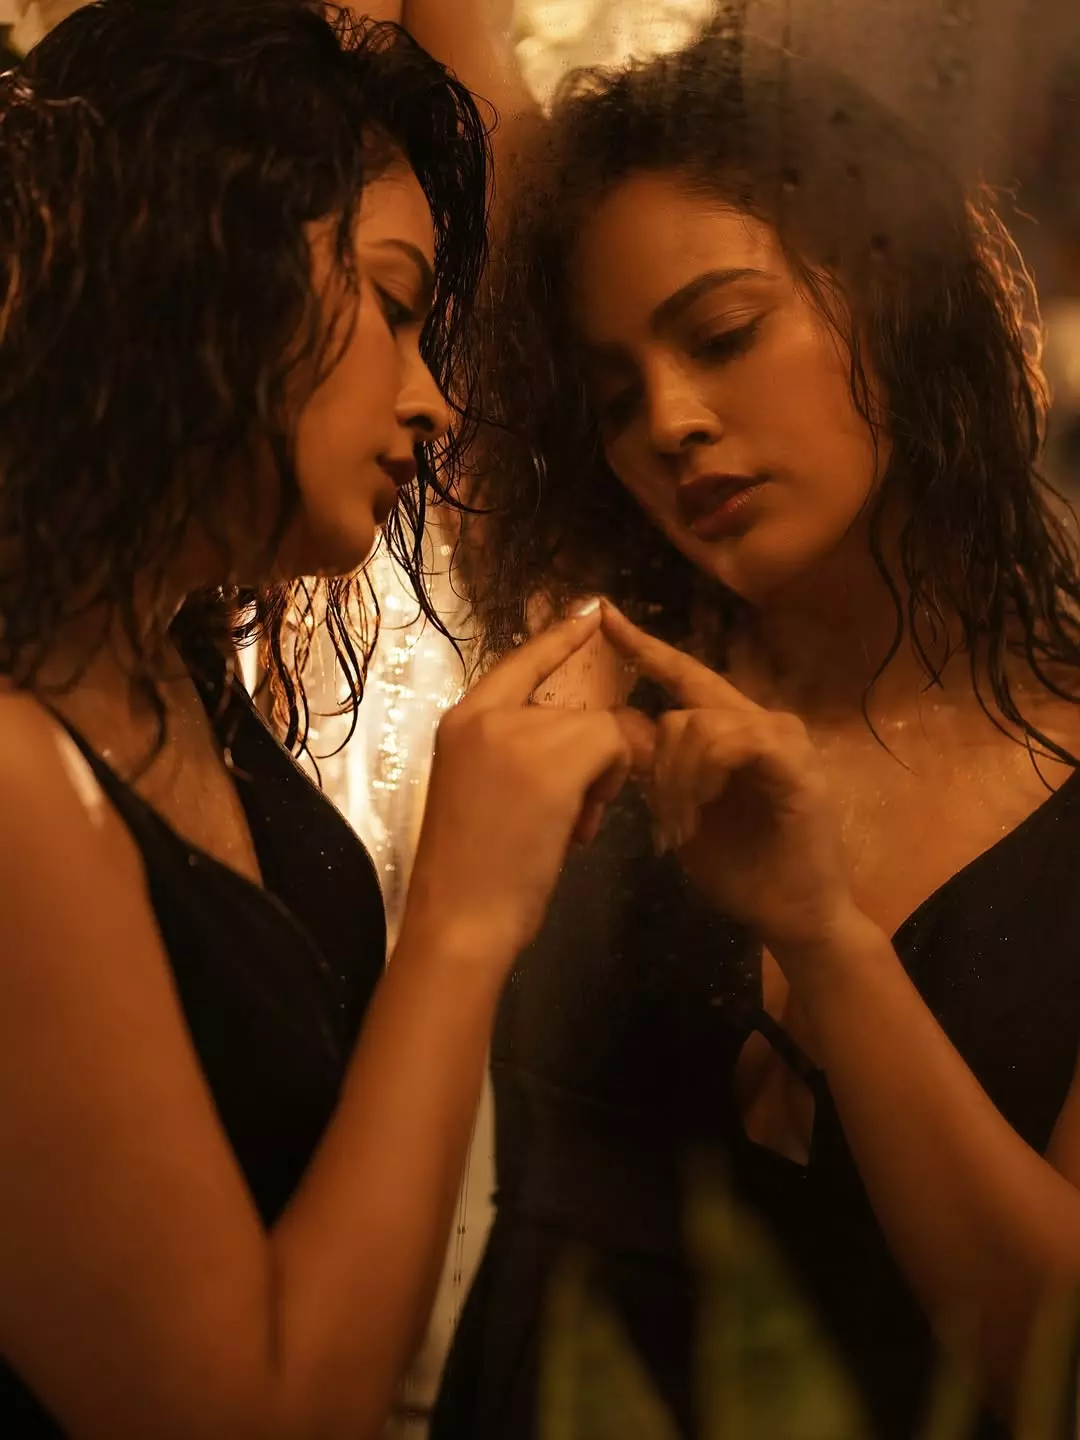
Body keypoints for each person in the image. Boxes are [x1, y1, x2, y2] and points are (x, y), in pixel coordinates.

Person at [426, 22, 1080, 1440]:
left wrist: (826, 939)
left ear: (897, 293)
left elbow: (1053, 1351)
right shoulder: (588, 704)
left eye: (724, 334)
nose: (669, 421)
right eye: (613, 400)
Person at [0, 3, 642, 1436]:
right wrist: (464, 913)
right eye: (396, 308)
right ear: (200, 269)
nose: (431, 403)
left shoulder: (174, 665)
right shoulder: (13, 771)